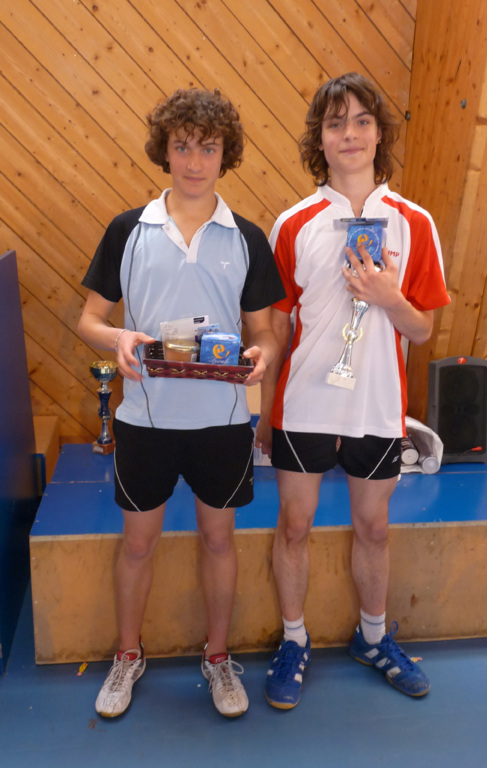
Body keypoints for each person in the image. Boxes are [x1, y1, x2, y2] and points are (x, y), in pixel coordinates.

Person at [78, 87, 284, 719]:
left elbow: (264, 332)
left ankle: (218, 657)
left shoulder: (247, 237)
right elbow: (89, 319)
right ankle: (127, 654)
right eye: (183, 146)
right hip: (145, 419)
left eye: (209, 148)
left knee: (219, 541)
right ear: (164, 151)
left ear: (226, 155)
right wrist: (117, 337)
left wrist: (264, 355)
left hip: (222, 423)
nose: (195, 161)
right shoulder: (128, 230)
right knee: (137, 544)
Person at [256, 72, 450, 709]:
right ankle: (293, 639)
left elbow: (422, 330)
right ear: (320, 138)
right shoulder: (293, 224)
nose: (350, 134)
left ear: (379, 134)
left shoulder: (414, 223)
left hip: (375, 405)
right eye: (336, 123)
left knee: (374, 527)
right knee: (294, 526)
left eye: (362, 121)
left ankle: (372, 637)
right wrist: (266, 412)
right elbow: (277, 327)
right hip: (303, 405)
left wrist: (390, 297)